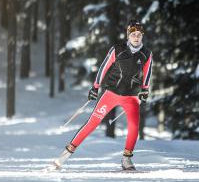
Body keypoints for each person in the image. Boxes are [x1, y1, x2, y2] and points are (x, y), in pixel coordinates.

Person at [53, 19, 153, 171]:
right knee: (92, 122)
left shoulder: (146, 53)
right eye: (133, 34)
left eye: (139, 34)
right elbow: (103, 67)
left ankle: (126, 160)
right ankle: (65, 154)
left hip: (131, 96)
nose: (136, 37)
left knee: (134, 126)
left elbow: (147, 73)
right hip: (111, 93)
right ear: (128, 35)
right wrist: (95, 87)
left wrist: (145, 89)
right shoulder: (117, 49)